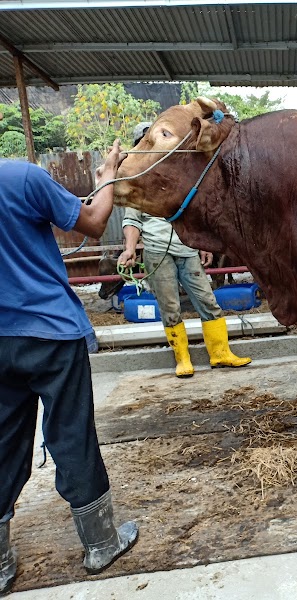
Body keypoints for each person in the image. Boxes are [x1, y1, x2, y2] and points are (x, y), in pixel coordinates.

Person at [0, 141, 138, 595]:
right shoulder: (22, 178)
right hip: (49, 331)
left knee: (1, 440)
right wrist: (106, 178)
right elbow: (95, 223)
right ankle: (100, 543)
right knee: (71, 432)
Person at [117, 122, 251, 378]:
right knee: (170, 307)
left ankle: (220, 354)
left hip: (187, 248)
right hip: (157, 250)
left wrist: (203, 243)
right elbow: (132, 220)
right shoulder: (137, 181)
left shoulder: (177, 175)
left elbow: (195, 211)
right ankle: (182, 359)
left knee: (207, 300)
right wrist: (130, 249)